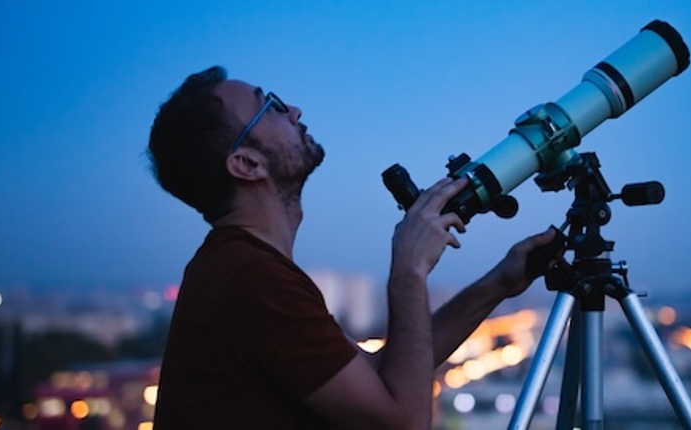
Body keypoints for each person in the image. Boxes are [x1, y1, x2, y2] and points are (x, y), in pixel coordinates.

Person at [146, 66, 557, 430]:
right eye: (270, 106)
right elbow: (403, 422)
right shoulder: (251, 280)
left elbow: (381, 374)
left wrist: (498, 284)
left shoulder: (239, 268)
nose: (294, 111)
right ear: (247, 164)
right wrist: (409, 269)